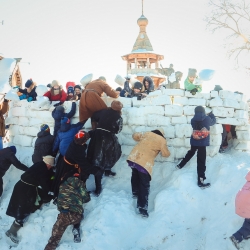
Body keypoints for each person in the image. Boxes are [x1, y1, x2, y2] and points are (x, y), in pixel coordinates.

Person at [5, 156, 55, 244]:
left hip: (22, 186)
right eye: (51, 165)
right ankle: (11, 232)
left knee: (20, 208)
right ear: (48, 164)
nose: (51, 167)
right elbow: (44, 183)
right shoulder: (42, 170)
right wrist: (51, 191)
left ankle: (12, 229)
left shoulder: (40, 164)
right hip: (24, 190)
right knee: (22, 209)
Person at [127, 128, 170, 218]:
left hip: (133, 157)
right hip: (144, 163)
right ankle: (142, 208)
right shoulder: (162, 140)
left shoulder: (147, 134)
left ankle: (135, 192)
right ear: (162, 134)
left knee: (135, 174)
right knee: (144, 184)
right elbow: (166, 154)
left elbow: (135, 136)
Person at [44, 169, 90, 250]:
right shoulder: (78, 182)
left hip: (63, 215)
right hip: (76, 216)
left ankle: (50, 247)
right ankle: (76, 228)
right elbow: (86, 198)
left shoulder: (61, 185)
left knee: (54, 237)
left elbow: (59, 203)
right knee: (78, 216)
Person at [87, 101, 123, 196]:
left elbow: (94, 116)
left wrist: (95, 126)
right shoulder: (119, 117)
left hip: (97, 136)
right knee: (112, 154)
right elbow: (118, 130)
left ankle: (105, 172)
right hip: (108, 138)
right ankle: (100, 185)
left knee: (97, 158)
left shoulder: (103, 112)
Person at [176, 106, 216, 188]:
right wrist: (212, 115)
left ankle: (180, 165)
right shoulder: (207, 119)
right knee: (201, 161)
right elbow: (213, 122)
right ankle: (200, 180)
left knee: (191, 152)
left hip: (194, 140)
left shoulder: (192, 120)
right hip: (202, 142)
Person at [230, 171, 250, 249]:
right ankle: (237, 237)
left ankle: (246, 233)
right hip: (247, 203)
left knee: (248, 219)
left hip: (243, 200)